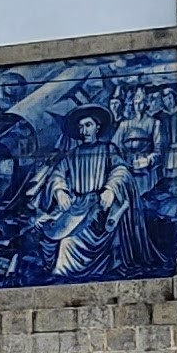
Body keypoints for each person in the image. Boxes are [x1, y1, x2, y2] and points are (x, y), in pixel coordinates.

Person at [32, 104, 168, 278]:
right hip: (76, 206)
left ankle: (65, 271)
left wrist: (110, 189)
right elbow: (57, 174)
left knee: (68, 243)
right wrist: (60, 191)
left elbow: (121, 170)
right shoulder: (72, 154)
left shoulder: (109, 149)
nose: (84, 131)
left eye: (88, 125)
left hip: (99, 208)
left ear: (97, 127)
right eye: (81, 127)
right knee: (44, 226)